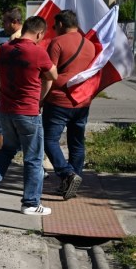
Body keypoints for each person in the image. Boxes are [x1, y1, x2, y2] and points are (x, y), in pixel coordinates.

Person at [0, 16, 57, 216]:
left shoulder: (4, 49)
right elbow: (53, 76)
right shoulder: (38, 52)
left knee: (7, 150)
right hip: (28, 112)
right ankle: (30, 203)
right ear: (39, 33)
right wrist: (41, 98)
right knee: (33, 159)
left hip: (5, 110)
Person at [42, 10, 97, 200]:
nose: (54, 29)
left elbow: (50, 74)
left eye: (54, 26)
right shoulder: (90, 45)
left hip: (58, 100)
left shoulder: (57, 43)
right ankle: (72, 182)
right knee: (76, 143)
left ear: (61, 25)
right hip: (82, 101)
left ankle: (67, 174)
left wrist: (41, 99)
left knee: (48, 140)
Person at [0, 7, 24, 161]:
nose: (3, 25)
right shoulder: (23, 37)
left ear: (15, 22)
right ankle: (36, 165)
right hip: (17, 91)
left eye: (5, 22)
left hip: (10, 92)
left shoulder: (15, 40)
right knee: (21, 130)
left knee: (0, 128)